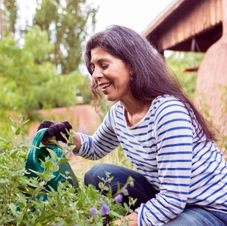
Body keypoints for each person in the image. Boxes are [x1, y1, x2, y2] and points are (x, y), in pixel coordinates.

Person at [38, 25, 227, 226]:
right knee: (98, 175)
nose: (95, 75)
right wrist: (65, 136)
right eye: (93, 67)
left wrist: (119, 224)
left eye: (104, 65)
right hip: (168, 196)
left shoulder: (168, 112)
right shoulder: (118, 114)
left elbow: (173, 199)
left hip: (211, 208)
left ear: (132, 65)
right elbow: (94, 147)